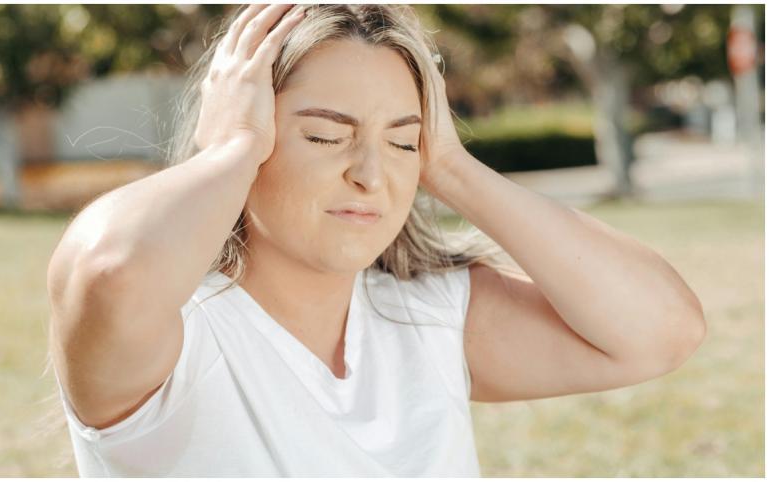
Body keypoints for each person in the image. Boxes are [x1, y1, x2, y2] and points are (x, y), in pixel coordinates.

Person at [45, 4, 707, 477]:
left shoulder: (429, 319)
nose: (369, 174)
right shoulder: (177, 342)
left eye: (402, 141)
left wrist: (452, 167)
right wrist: (231, 148)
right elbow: (111, 270)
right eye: (325, 136)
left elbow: (663, 331)